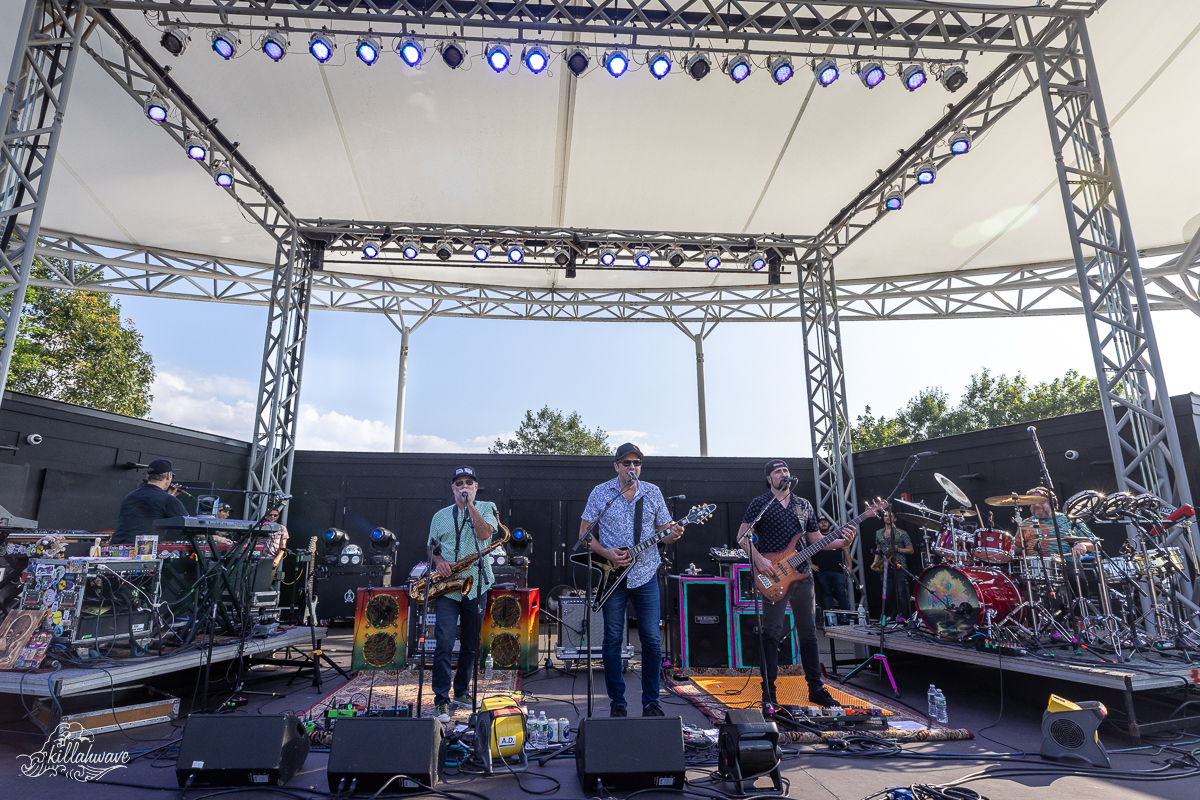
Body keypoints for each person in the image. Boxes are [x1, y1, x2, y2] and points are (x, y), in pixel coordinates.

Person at [736, 459, 852, 708]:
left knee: (808, 632)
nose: (783, 474)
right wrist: (758, 560)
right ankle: (769, 692)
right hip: (773, 575)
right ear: (769, 479)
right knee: (771, 632)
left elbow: (815, 539)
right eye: (778, 471)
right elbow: (742, 537)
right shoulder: (761, 503)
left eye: (786, 470)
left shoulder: (804, 505)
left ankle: (815, 688)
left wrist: (841, 543)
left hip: (802, 575)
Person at [580, 443, 683, 718]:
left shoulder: (652, 492)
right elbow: (585, 534)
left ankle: (651, 702)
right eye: (626, 463)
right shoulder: (602, 493)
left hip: (646, 572)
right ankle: (618, 703)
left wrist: (674, 533)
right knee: (612, 638)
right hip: (614, 576)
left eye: (636, 463)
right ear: (616, 466)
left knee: (650, 638)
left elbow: (665, 531)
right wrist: (605, 552)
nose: (632, 467)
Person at [427, 465, 498, 721]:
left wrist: (470, 507)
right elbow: (431, 550)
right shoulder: (440, 516)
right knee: (444, 644)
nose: (464, 487)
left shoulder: (487, 508)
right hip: (448, 587)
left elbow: (484, 534)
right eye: (459, 483)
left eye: (469, 483)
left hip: (476, 584)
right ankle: (441, 700)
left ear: (476, 487)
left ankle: (462, 691)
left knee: (470, 645)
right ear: (453, 488)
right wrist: (439, 562)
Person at [112, 459, 188, 545]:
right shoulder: (167, 500)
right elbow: (191, 525)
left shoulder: (130, 496)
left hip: (117, 548)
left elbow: (150, 512)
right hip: (143, 551)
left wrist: (169, 497)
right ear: (168, 475)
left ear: (147, 476)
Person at [1023, 487, 1096, 557]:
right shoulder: (1026, 523)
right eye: (1033, 502)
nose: (1037, 505)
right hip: (1035, 566)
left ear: (1052, 502)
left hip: (1070, 565)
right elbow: (1018, 547)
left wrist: (1084, 545)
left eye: (1041, 502)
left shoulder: (1071, 520)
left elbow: (1096, 544)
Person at [874, 510, 913, 620]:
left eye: (890, 516)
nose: (887, 517)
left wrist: (898, 549)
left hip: (899, 565)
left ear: (895, 519)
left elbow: (911, 550)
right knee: (888, 594)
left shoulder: (902, 533)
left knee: (901, 594)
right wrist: (875, 562)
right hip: (885, 565)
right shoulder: (878, 533)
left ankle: (903, 617)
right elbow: (878, 548)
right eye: (885, 515)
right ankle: (891, 615)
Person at [811, 516, 853, 614]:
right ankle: (830, 619)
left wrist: (850, 566)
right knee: (827, 594)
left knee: (841, 593)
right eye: (821, 522)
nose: (823, 524)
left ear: (829, 524)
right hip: (822, 570)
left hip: (837, 570)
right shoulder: (815, 538)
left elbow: (846, 551)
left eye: (825, 522)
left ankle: (845, 617)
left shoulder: (837, 536)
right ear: (817, 525)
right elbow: (808, 551)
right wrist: (811, 564)